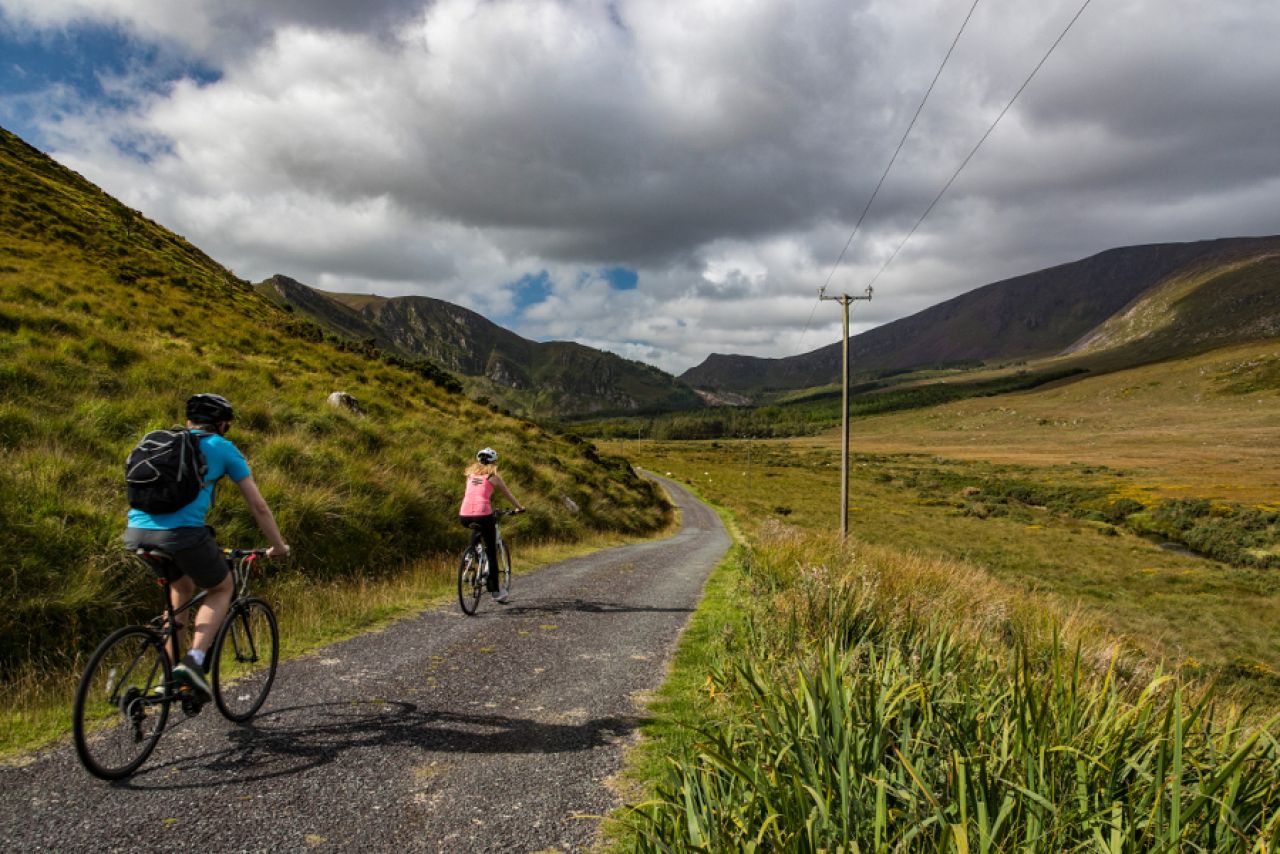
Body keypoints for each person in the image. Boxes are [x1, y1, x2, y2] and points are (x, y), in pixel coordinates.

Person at [122, 393, 290, 699]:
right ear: (222, 424)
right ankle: (193, 662)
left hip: (136, 533)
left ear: (189, 420)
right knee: (221, 588)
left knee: (181, 592)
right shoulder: (222, 448)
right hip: (182, 535)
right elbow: (259, 505)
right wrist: (277, 546)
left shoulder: (164, 443)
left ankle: (168, 678)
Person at [458, 447, 524, 603]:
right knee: (491, 553)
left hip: (464, 515)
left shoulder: (469, 476)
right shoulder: (493, 477)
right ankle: (495, 591)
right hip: (483, 514)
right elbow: (508, 495)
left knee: (476, 526)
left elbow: (474, 495)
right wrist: (520, 508)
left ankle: (470, 554)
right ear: (494, 463)